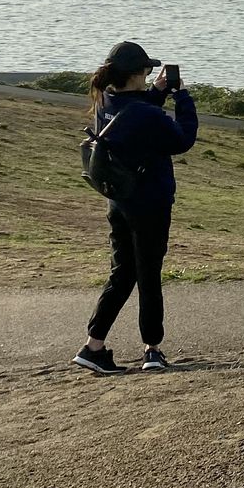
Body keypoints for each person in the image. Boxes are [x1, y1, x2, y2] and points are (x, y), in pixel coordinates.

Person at [72, 41, 197, 375]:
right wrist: (182, 98)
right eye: (146, 70)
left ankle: (93, 345)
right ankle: (152, 350)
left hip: (119, 203)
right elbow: (182, 139)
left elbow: (135, 117)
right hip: (150, 204)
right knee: (148, 275)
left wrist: (155, 93)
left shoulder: (106, 101)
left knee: (123, 272)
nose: (149, 74)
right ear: (137, 74)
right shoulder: (145, 112)